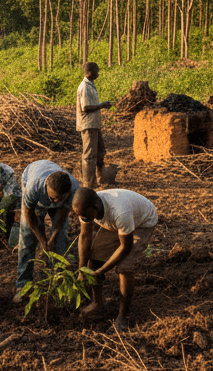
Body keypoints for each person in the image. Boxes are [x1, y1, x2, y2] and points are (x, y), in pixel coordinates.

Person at [73, 186, 158, 332]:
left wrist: (102, 270)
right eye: (82, 217)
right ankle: (97, 303)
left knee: (124, 268)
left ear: (96, 207)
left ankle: (123, 316)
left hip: (143, 222)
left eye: (87, 216)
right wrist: (82, 268)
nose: (85, 219)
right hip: (117, 224)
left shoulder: (120, 211)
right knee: (95, 258)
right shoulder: (86, 208)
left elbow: (125, 247)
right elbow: (85, 236)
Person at [14, 160, 80, 302]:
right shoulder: (34, 186)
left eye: (60, 199)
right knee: (27, 238)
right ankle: (22, 285)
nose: (55, 202)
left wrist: (53, 237)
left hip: (57, 197)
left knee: (60, 239)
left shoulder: (73, 188)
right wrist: (42, 239)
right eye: (52, 198)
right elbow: (28, 212)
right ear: (46, 188)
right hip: (33, 179)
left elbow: (63, 214)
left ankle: (57, 281)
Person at [76, 62, 112, 188]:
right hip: (88, 124)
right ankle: (89, 183)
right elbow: (85, 107)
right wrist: (102, 105)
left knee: (100, 151)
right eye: (97, 71)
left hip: (94, 124)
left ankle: (101, 179)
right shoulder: (85, 87)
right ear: (90, 72)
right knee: (89, 155)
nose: (98, 73)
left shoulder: (90, 85)